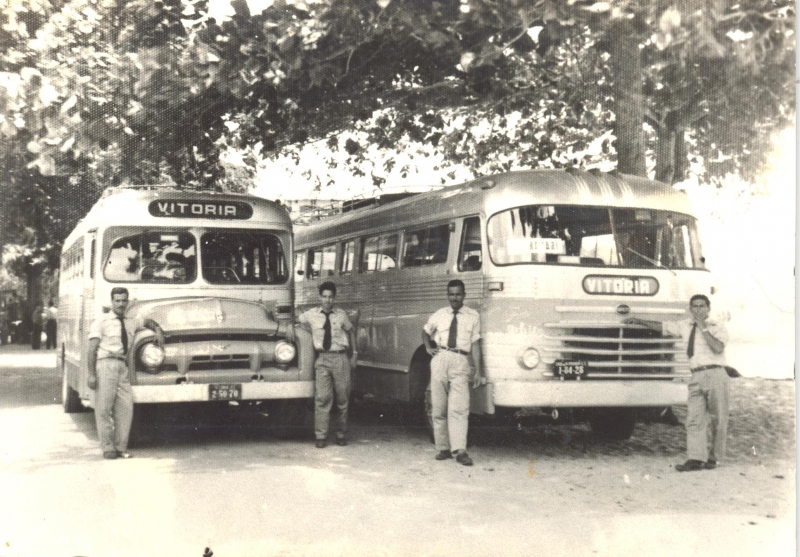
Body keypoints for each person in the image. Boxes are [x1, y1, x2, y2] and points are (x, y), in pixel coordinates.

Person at [625, 294, 729, 472]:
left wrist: (704, 328)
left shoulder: (717, 326)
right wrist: (638, 320)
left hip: (715, 374)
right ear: (690, 309)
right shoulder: (684, 325)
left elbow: (718, 347)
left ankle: (715, 457)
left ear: (708, 308)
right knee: (694, 419)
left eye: (701, 306)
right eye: (694, 306)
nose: (698, 309)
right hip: (696, 375)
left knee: (718, 419)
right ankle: (696, 458)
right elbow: (663, 327)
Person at [87, 287, 165, 459]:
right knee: (104, 409)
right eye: (117, 300)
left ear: (128, 301)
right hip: (105, 364)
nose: (121, 304)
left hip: (122, 366)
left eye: (124, 300)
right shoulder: (101, 322)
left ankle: (120, 447)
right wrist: (91, 374)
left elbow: (148, 322)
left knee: (125, 408)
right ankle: (108, 448)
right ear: (112, 302)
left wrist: (157, 330)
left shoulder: (131, 321)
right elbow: (91, 350)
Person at [422, 279, 483, 466]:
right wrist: (428, 348)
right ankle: (443, 448)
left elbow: (475, 344)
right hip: (441, 358)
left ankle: (460, 450)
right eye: (451, 294)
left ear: (464, 295)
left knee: (459, 407)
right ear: (447, 295)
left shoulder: (473, 316)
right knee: (438, 407)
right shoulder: (440, 314)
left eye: (457, 294)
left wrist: (478, 371)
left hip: (460, 361)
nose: (454, 298)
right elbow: (425, 331)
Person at [292, 281, 357, 448]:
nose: (327, 300)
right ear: (320, 297)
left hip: (340, 358)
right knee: (322, 398)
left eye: (330, 297)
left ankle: (341, 434)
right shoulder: (311, 314)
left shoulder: (341, 315)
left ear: (334, 298)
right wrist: (288, 328)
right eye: (325, 297)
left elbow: (351, 331)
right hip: (322, 359)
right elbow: (294, 319)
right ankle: (320, 436)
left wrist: (354, 354)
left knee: (343, 398)